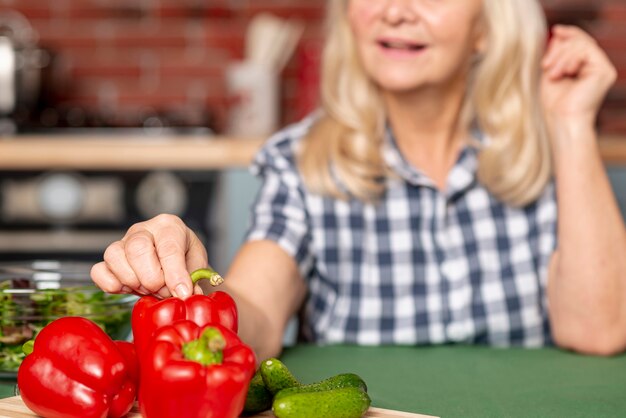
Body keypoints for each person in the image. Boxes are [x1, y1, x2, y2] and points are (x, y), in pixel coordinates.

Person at [91, 0, 626, 361]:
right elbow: (256, 314)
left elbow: (599, 333)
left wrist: (571, 123)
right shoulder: (298, 161)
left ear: (487, 27)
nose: (396, 11)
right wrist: (194, 279)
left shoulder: (550, 154)